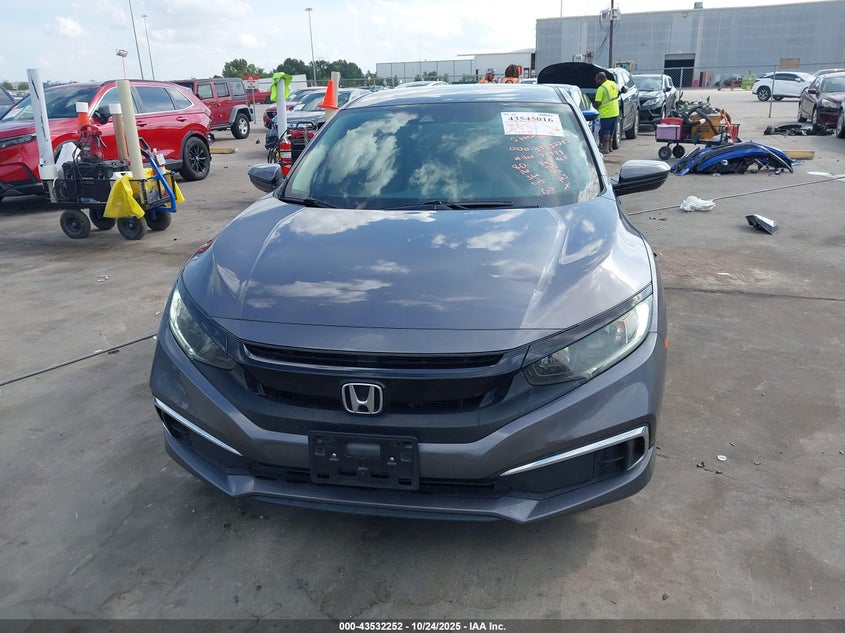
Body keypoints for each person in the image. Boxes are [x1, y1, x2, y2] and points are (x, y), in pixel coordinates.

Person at [593, 71, 620, 154]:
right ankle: (610, 146)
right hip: (615, 111)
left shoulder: (601, 89)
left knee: (605, 130)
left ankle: (605, 148)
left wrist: (594, 108)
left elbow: (598, 102)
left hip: (606, 113)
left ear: (600, 79)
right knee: (611, 130)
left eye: (597, 80)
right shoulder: (613, 84)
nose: (596, 82)